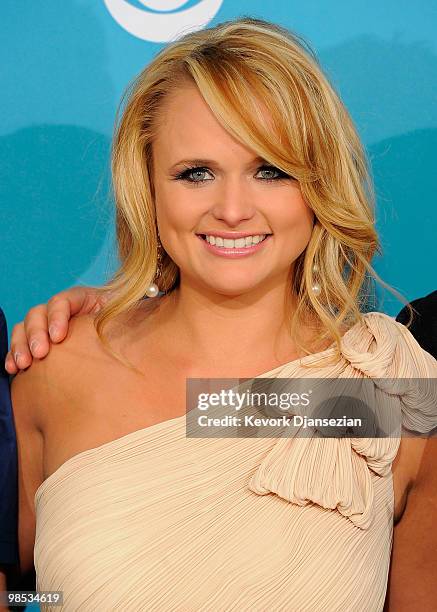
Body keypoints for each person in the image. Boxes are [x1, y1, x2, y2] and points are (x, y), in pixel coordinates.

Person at [7, 17, 437, 611]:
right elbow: (24, 588)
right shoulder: (56, 373)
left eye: (271, 171)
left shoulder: (393, 393)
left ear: (318, 187)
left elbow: (217, 409)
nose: (232, 209)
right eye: (196, 173)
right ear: (148, 189)